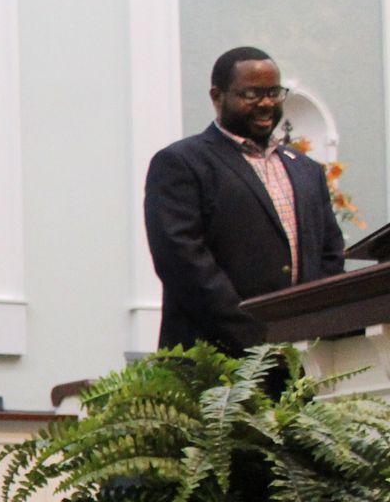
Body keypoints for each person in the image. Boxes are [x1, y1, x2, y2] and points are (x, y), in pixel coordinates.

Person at [145, 46, 349, 352]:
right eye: (252, 95)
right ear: (217, 96)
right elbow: (183, 261)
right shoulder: (182, 163)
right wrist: (257, 335)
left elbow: (330, 255)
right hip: (215, 359)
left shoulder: (306, 170)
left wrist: (312, 329)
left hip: (301, 358)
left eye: (274, 93)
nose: (266, 104)